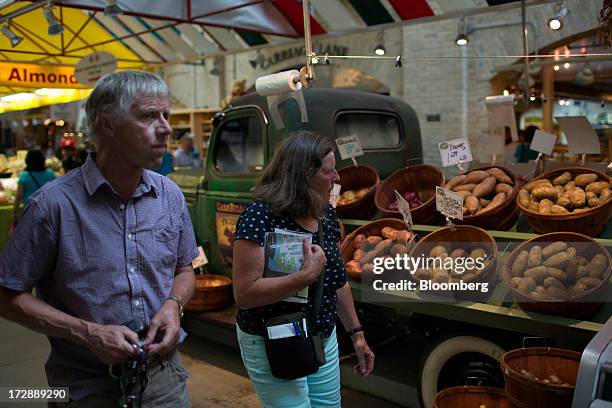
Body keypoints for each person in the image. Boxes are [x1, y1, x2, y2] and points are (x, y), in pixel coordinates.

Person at [0, 70, 199, 407]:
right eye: (149, 116)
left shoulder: (170, 196)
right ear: (108, 124)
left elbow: (184, 269)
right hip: (83, 387)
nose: (166, 128)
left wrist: (173, 305)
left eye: (166, 115)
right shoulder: (53, 206)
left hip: (164, 381)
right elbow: (6, 295)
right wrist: (88, 333)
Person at [232, 131, 375, 407]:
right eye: (329, 172)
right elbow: (245, 293)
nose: (337, 179)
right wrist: (305, 277)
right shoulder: (260, 216)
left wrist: (357, 334)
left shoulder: (325, 213)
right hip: (273, 339)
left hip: (321, 335)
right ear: (302, 175)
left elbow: (338, 281)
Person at [12, 149, 56, 225]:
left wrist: (14, 211)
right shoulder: (50, 174)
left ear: (28, 160)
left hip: (30, 210)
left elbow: (19, 195)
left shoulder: (24, 175)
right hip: (48, 209)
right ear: (43, 160)